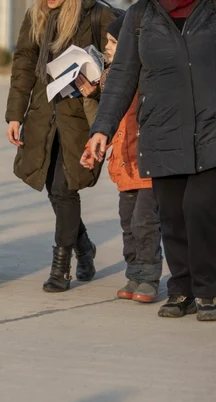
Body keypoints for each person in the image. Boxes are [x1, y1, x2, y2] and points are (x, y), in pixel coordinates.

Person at [88, 0, 216, 321]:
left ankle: (207, 287)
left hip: (210, 129)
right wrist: (102, 129)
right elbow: (121, 76)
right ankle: (181, 289)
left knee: (200, 207)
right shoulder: (140, 16)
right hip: (162, 131)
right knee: (172, 216)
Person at [5, 0, 116, 293]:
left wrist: (100, 84)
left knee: (64, 190)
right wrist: (15, 114)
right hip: (43, 115)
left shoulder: (96, 14)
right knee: (53, 189)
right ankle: (84, 246)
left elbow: (122, 58)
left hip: (79, 117)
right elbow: (24, 65)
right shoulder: (36, 17)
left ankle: (60, 266)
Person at [80, 14, 162, 303]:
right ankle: (134, 273)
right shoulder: (109, 79)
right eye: (107, 41)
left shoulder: (145, 77)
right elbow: (108, 125)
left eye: (114, 41)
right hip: (123, 164)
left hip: (148, 163)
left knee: (145, 222)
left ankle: (150, 276)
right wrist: (91, 99)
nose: (108, 46)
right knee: (128, 222)